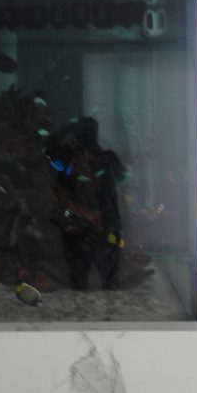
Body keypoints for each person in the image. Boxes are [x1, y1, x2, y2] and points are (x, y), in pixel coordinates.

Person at [46, 117, 125, 290]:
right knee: (97, 268)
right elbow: (118, 181)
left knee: (83, 268)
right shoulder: (95, 158)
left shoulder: (75, 159)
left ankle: (91, 286)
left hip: (84, 220)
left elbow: (50, 153)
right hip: (92, 220)